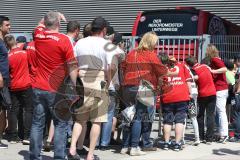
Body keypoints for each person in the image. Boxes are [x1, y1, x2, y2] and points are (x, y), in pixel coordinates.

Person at [29, 11, 78, 160]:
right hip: (57, 89)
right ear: (58, 24)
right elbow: (72, 66)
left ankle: (34, 156)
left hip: (38, 87)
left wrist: (54, 14)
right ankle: (58, 157)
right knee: (60, 124)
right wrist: (75, 86)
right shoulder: (63, 39)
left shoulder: (38, 35)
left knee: (37, 123)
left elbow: (39, 25)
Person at [69, 17, 112, 160]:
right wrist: (108, 82)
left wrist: (75, 84)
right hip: (98, 79)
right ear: (104, 29)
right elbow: (110, 67)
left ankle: (73, 149)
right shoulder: (106, 44)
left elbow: (72, 63)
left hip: (82, 79)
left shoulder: (80, 42)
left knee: (80, 119)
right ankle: (90, 154)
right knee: (97, 120)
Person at [121, 31, 170, 156]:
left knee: (128, 115)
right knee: (138, 117)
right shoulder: (151, 55)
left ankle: (125, 146)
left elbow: (123, 67)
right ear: (151, 42)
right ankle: (134, 147)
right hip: (143, 87)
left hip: (127, 87)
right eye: (155, 42)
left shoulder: (131, 53)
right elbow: (162, 71)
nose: (156, 45)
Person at [4, 35, 32, 145]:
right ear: (15, 42)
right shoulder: (25, 53)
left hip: (13, 86)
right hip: (26, 84)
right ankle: (27, 136)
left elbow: (6, 72)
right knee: (28, 110)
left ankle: (13, 136)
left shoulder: (7, 56)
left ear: (6, 45)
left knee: (13, 111)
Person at [98, 32, 125, 150]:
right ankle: (104, 143)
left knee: (98, 115)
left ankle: (96, 141)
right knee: (109, 115)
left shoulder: (99, 49)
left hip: (97, 84)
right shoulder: (117, 51)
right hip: (111, 86)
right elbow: (123, 57)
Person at [161, 56, 191, 151]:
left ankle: (166, 143)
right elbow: (188, 81)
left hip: (168, 96)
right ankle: (177, 144)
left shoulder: (163, 69)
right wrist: (190, 94)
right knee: (179, 120)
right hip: (182, 96)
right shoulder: (183, 66)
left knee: (167, 121)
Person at [185, 56, 216, 144]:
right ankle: (209, 138)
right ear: (196, 60)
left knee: (200, 115)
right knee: (210, 115)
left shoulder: (193, 70)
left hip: (203, 94)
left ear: (188, 64)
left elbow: (194, 81)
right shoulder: (205, 66)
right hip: (213, 92)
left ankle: (201, 136)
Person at [206, 44, 229, 143]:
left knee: (221, 111)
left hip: (220, 89)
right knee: (219, 112)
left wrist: (213, 70)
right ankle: (221, 133)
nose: (206, 52)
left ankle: (224, 134)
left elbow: (224, 69)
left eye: (207, 51)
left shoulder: (215, 59)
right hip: (220, 89)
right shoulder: (214, 60)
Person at [0, 15, 11, 149]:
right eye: (7, 25)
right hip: (1, 79)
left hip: (4, 78)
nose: (10, 27)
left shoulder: (3, 41)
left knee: (3, 109)